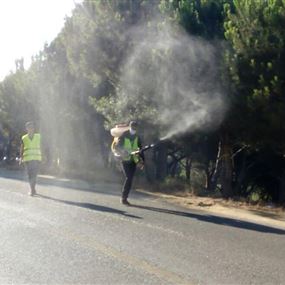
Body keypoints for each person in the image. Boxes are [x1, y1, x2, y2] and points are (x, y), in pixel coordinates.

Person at [115, 121, 144, 205]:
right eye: (133, 128)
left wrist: (142, 161)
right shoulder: (124, 135)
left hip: (133, 161)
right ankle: (124, 198)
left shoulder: (137, 137)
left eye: (135, 128)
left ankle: (124, 198)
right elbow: (117, 146)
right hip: (125, 160)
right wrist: (123, 151)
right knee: (129, 177)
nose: (134, 129)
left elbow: (140, 150)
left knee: (130, 179)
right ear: (130, 127)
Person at [19, 121, 42, 196]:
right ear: (26, 129)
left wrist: (45, 156)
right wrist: (20, 158)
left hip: (36, 158)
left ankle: (32, 189)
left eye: (32, 127)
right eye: (29, 127)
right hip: (27, 159)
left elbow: (42, 147)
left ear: (34, 128)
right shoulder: (24, 138)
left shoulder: (38, 136)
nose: (31, 129)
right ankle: (32, 189)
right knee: (30, 175)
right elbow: (22, 148)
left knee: (34, 175)